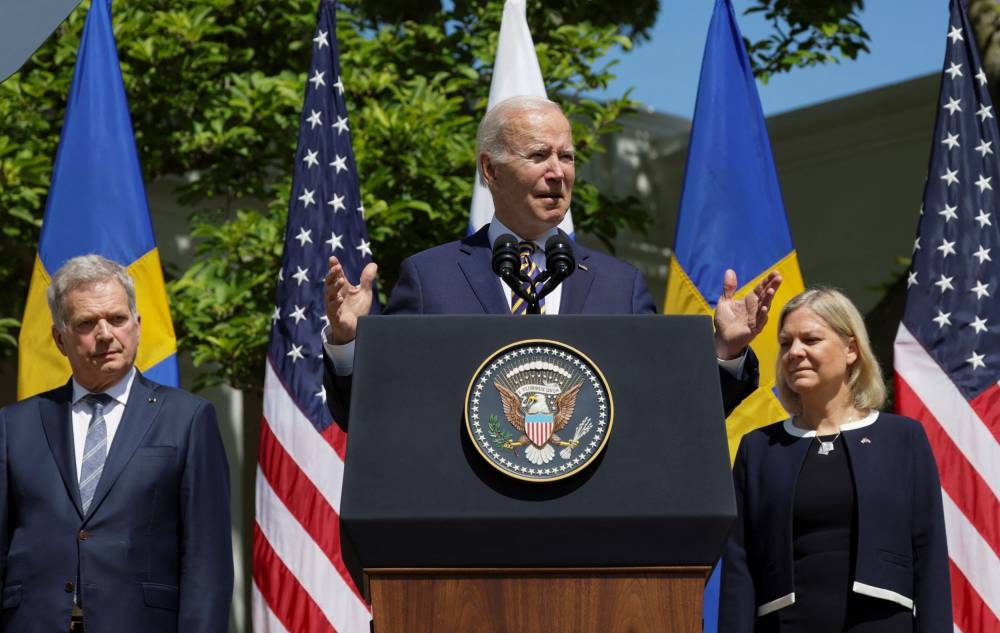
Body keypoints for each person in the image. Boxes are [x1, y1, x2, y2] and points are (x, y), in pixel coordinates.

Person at [324, 95, 782, 416]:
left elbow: (670, 409)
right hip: (471, 525)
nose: (558, 173)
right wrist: (347, 344)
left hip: (591, 526)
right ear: (490, 170)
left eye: (567, 157)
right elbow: (377, 411)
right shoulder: (431, 277)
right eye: (539, 155)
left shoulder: (619, 285)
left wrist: (727, 350)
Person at [0, 254, 233, 633]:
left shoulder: (188, 420)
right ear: (60, 338)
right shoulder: (14, 425)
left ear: (138, 327)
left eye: (117, 319)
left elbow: (207, 562)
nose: (105, 333)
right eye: (87, 323)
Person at [719, 287, 951, 633]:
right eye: (786, 343)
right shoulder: (759, 448)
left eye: (811, 339)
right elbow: (740, 568)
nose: (795, 352)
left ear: (851, 349)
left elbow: (929, 556)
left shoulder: (903, 439)